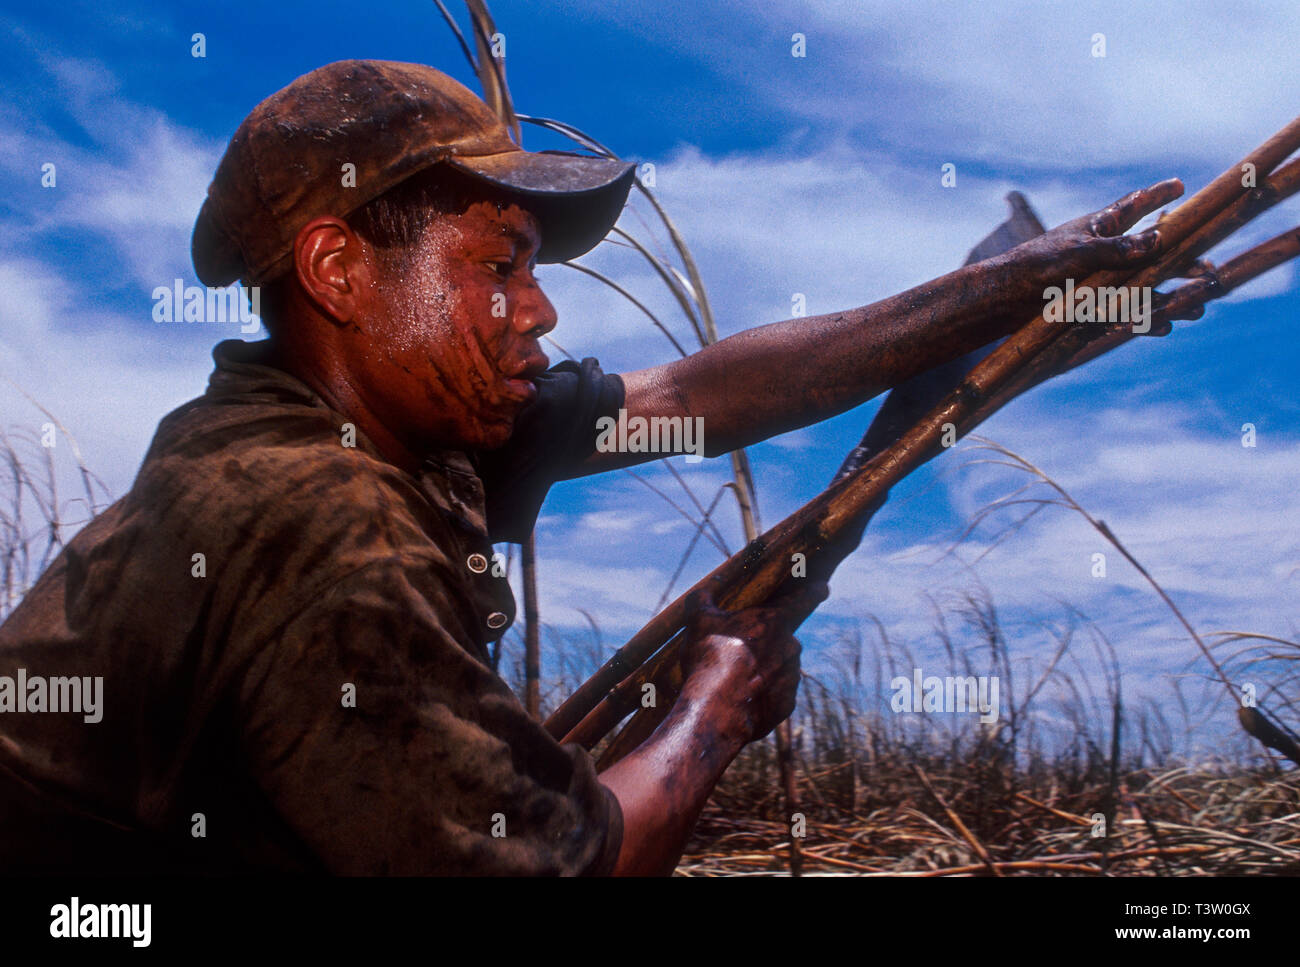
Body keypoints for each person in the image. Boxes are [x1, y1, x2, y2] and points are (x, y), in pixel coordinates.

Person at [0, 60, 1183, 876]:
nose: (542, 310)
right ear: (338, 271)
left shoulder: (399, 428)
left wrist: (991, 296)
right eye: (498, 265)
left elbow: (691, 399)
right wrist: (712, 707)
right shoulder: (321, 519)